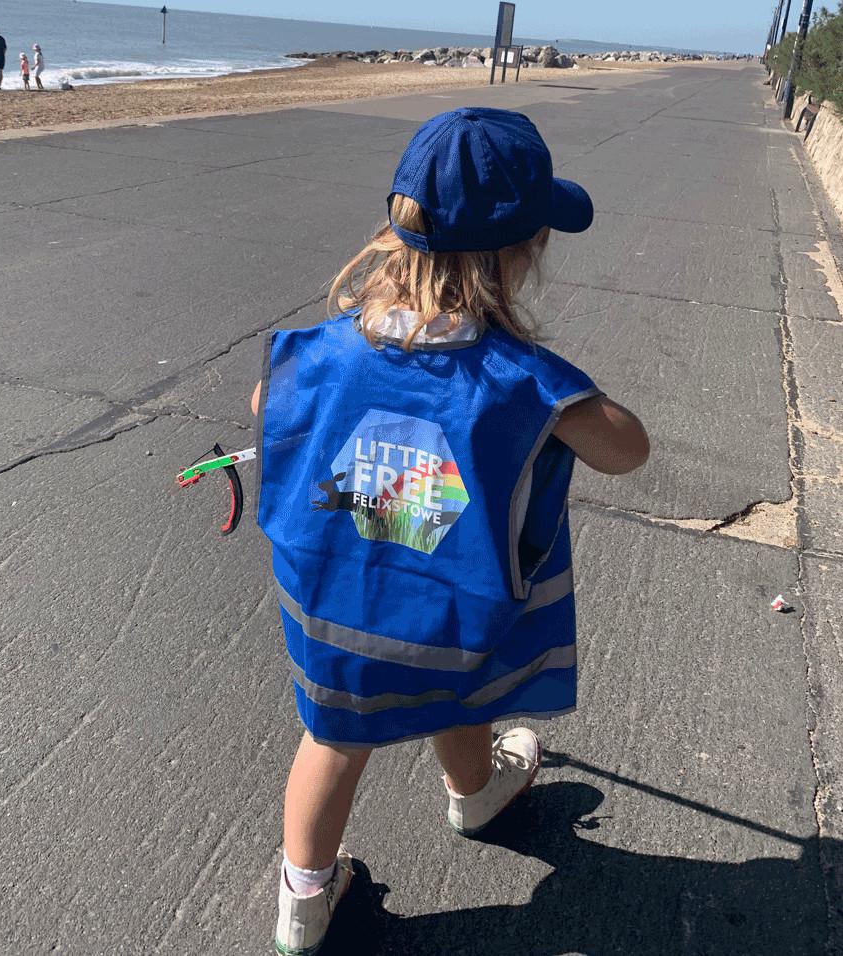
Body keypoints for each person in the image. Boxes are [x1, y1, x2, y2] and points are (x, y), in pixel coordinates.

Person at [249, 107, 650, 955]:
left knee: (332, 738)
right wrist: (559, 398)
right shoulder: (522, 378)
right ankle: (476, 793)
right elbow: (627, 449)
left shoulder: (319, 350)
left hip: (340, 623)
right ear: (517, 254)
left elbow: (265, 406)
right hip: (452, 628)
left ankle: (303, 901)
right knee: (456, 685)